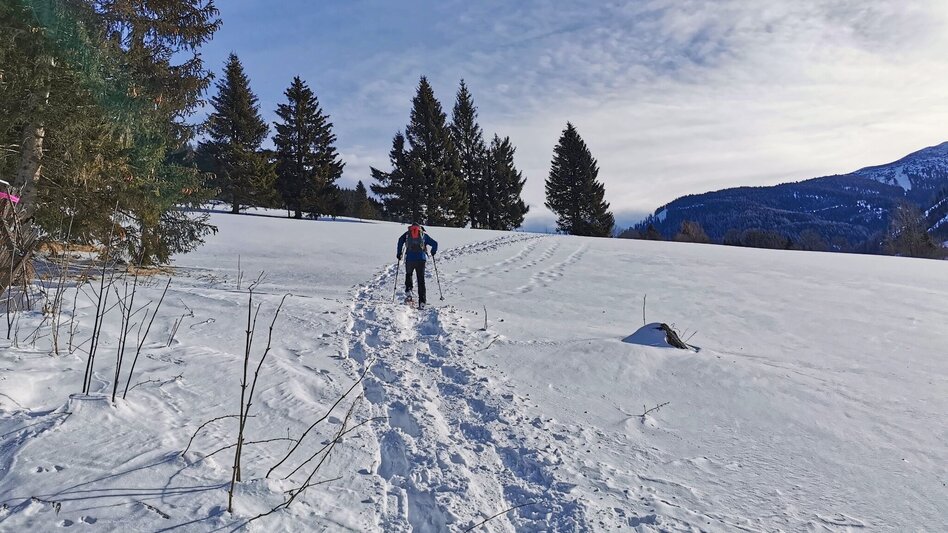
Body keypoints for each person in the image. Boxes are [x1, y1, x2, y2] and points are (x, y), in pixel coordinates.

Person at [396, 222, 438, 308]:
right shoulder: (423, 235)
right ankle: (422, 302)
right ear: (420, 228)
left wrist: (399, 253)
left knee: (409, 274)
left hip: (410, 259)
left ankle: (409, 291)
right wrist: (433, 252)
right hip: (421, 259)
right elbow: (435, 243)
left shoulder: (407, 234)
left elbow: (400, 241)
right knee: (421, 280)